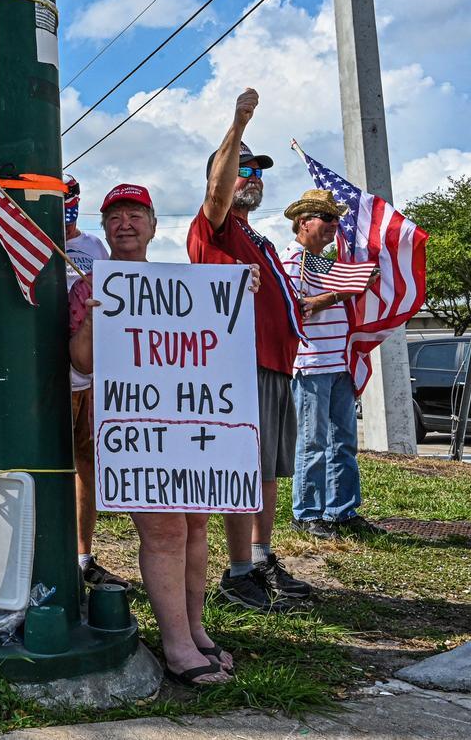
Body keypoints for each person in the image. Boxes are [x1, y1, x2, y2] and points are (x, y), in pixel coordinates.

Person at [71, 184, 257, 686]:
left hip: (188, 427)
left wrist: (241, 296)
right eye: (114, 217)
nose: (124, 224)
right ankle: (175, 647)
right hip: (134, 429)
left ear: (154, 225)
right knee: (165, 531)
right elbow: (81, 362)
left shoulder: (181, 284)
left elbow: (215, 344)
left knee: (196, 524)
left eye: (135, 215)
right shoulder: (90, 286)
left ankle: (195, 630)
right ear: (104, 228)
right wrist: (89, 323)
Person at [186, 88, 313, 612]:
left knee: (265, 470)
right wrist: (236, 126)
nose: (251, 177)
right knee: (244, 469)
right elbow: (217, 192)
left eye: (258, 171)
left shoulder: (254, 235)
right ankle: (239, 574)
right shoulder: (211, 227)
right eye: (243, 169)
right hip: (242, 366)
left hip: (276, 366)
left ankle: (260, 559)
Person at [280, 189, 384, 539]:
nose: (333, 225)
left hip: (336, 361)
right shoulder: (293, 258)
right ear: (303, 222)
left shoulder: (321, 261)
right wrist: (344, 291)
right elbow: (296, 307)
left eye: (335, 219)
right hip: (311, 364)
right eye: (326, 218)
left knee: (343, 439)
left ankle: (341, 510)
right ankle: (307, 514)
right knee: (313, 441)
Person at [63, 175, 124, 587]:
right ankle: (56, 554)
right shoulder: (33, 241)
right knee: (54, 465)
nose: (65, 205)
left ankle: (84, 555)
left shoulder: (92, 247)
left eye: (70, 198)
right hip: (53, 374)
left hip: (90, 378)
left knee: (88, 465)